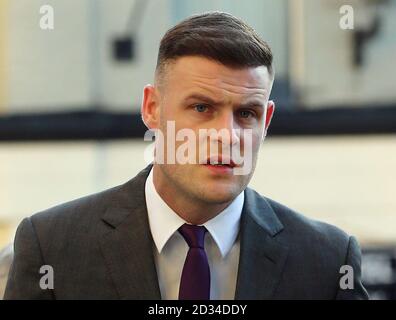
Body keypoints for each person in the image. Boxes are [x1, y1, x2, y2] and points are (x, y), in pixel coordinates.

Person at [4, 11, 368, 300]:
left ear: (267, 120)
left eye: (247, 114)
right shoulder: (53, 246)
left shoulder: (327, 261)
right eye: (201, 107)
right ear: (152, 108)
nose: (227, 136)